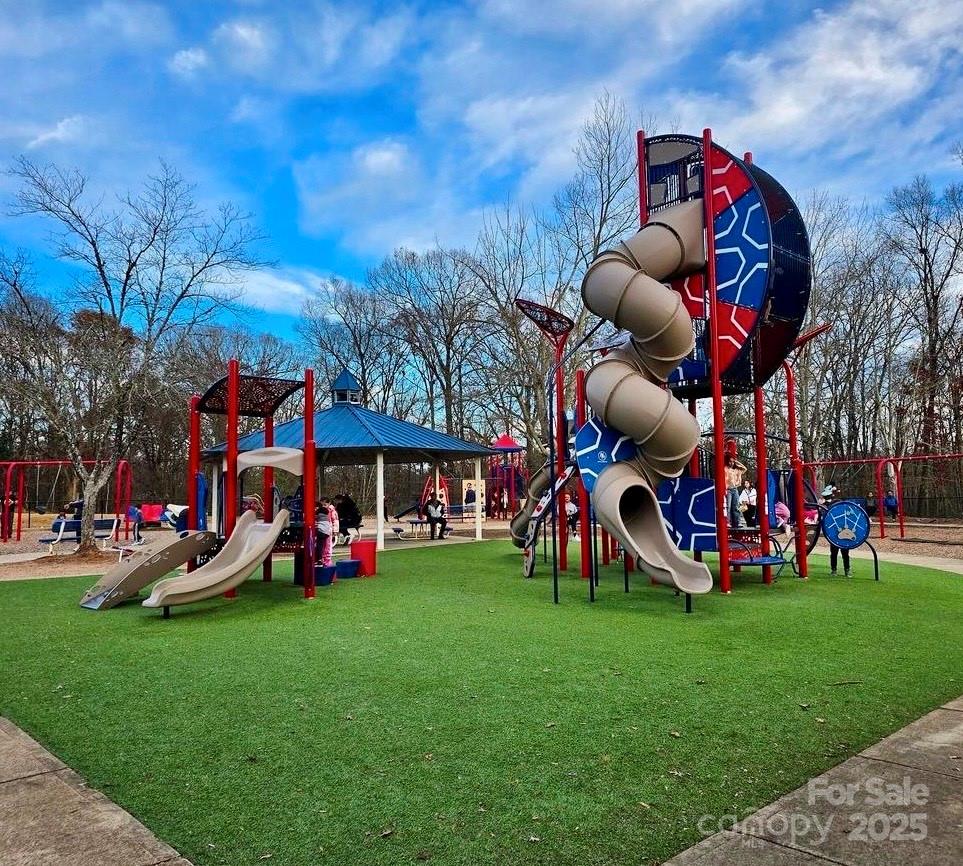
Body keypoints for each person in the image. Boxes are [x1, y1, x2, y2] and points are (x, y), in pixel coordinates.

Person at [823, 487, 851, 577]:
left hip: (844, 535)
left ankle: (846, 569)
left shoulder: (844, 515)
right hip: (835, 535)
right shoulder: (832, 515)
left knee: (845, 553)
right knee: (834, 553)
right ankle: (834, 569)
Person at [724, 451, 747, 528]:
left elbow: (744, 469)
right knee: (728, 506)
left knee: (736, 506)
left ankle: (737, 522)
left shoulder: (736, 470)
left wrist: (736, 462)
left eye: (732, 462)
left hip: (735, 489)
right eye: (730, 461)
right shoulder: (725, 469)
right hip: (728, 489)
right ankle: (727, 522)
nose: (732, 463)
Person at [316, 497, 333, 567]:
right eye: (322, 505)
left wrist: (335, 530)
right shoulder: (323, 511)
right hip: (326, 530)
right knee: (322, 545)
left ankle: (327, 560)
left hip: (327, 530)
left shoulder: (331, 511)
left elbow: (335, 520)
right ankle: (321, 559)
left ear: (329, 504)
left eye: (325, 504)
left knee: (327, 546)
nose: (323, 506)